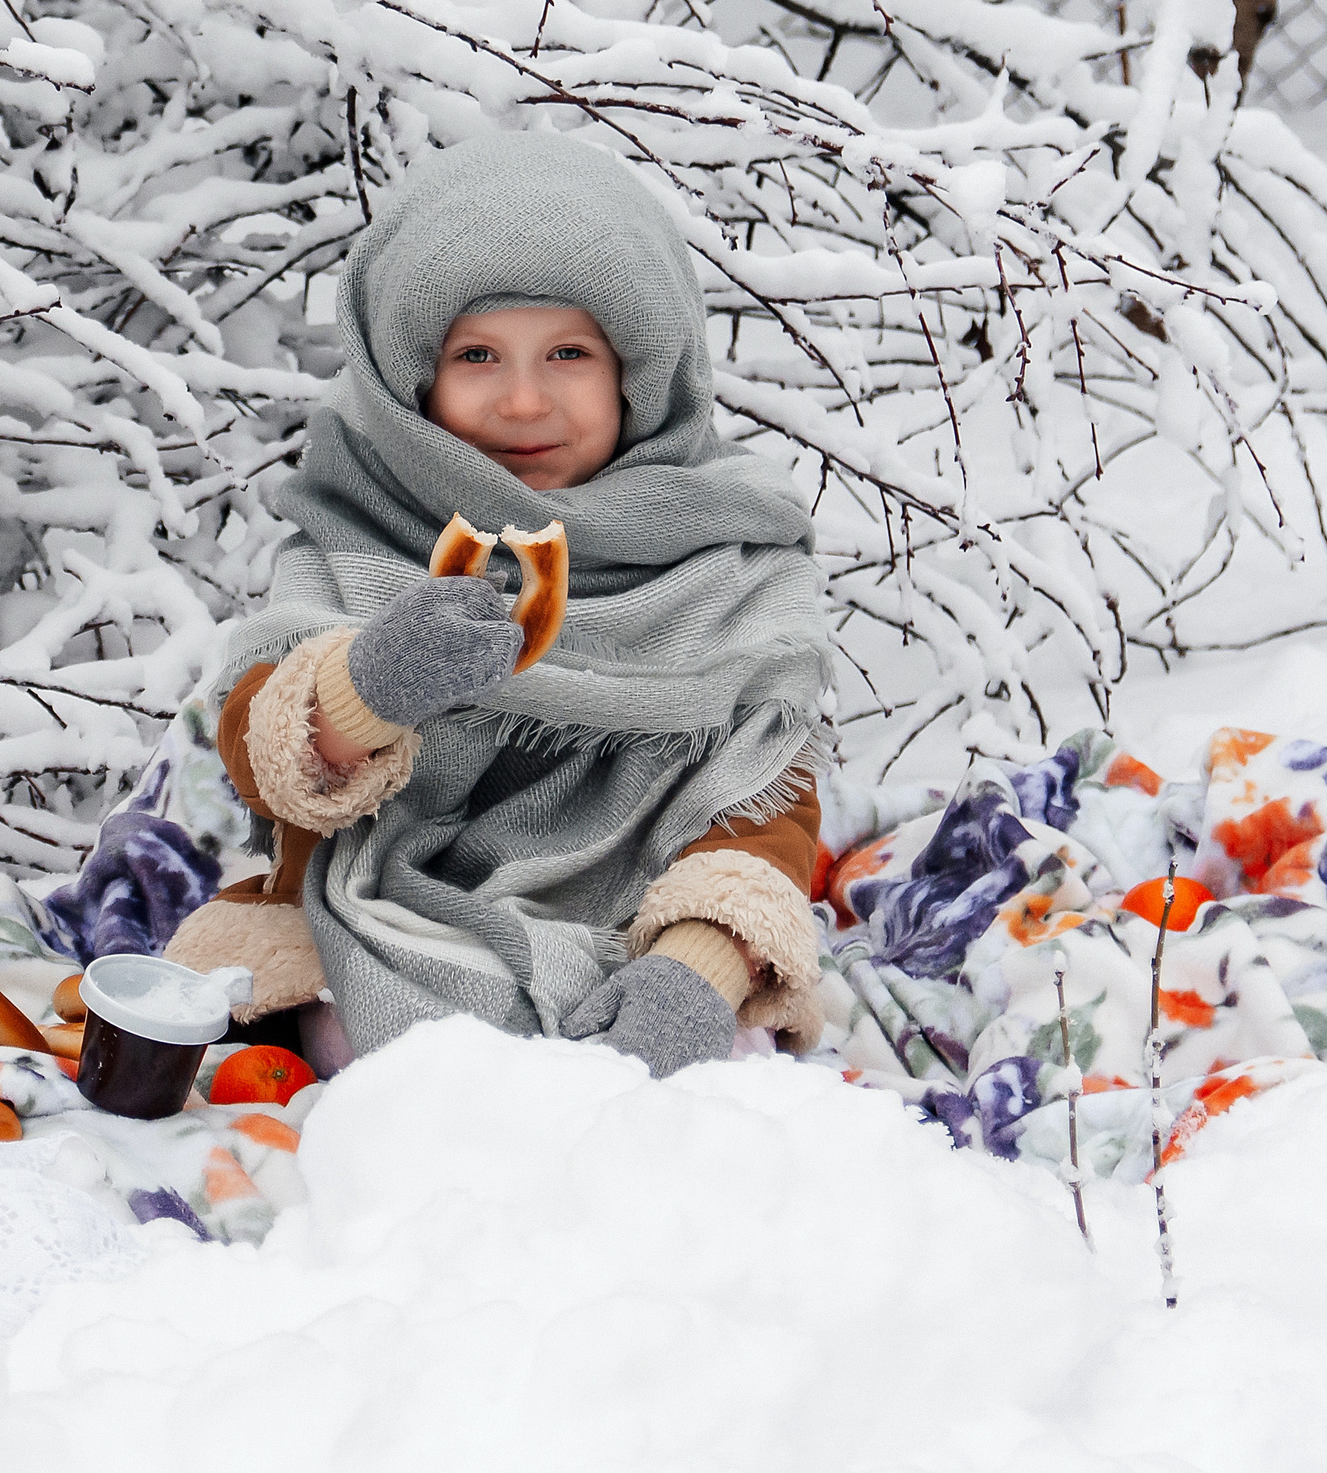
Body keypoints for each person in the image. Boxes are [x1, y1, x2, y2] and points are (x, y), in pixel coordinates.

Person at [164, 130, 834, 1078]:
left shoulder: (731, 554)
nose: (523, 401)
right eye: (478, 354)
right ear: (415, 378)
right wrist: (363, 691)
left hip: (640, 938)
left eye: (567, 353)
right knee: (385, 1046)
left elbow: (764, 800)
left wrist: (699, 967)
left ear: (638, 373)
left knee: (719, 1070)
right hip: (390, 917)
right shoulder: (363, 525)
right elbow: (258, 749)